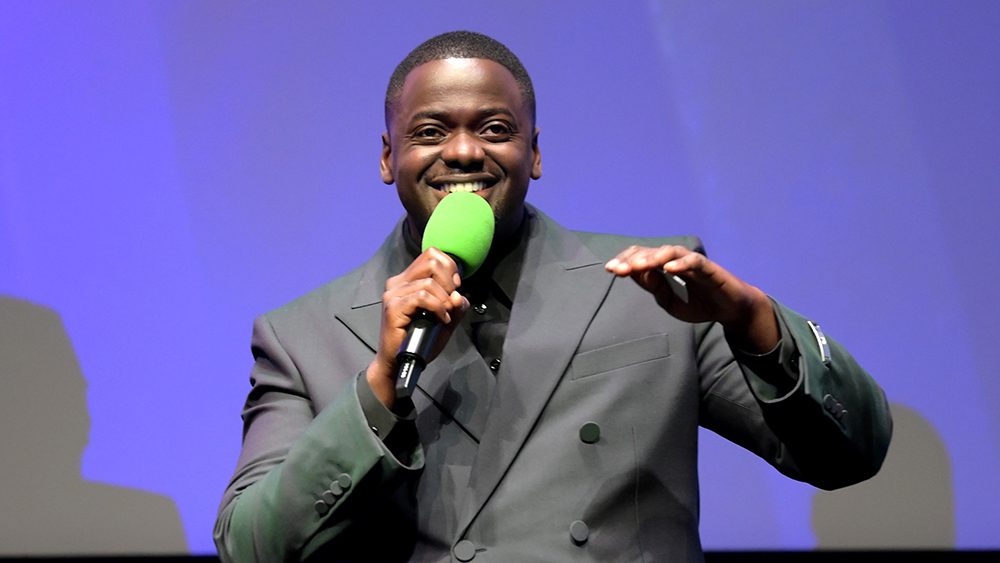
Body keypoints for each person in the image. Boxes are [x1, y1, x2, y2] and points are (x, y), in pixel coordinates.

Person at [214, 31, 892, 562]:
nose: (463, 152)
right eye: (430, 131)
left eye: (494, 128)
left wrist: (756, 322)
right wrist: (379, 388)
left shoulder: (649, 287)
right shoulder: (301, 335)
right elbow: (252, 545)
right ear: (388, 156)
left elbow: (851, 454)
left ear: (533, 153)